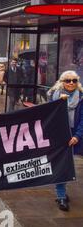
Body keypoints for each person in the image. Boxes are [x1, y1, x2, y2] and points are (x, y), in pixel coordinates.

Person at [47, 71, 83, 211]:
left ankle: (62, 193)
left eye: (74, 80)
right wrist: (60, 102)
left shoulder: (81, 97)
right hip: (60, 134)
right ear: (62, 82)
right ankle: (61, 195)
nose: (71, 83)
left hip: (75, 135)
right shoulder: (55, 95)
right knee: (62, 165)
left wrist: (77, 136)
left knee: (70, 166)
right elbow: (49, 115)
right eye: (68, 80)